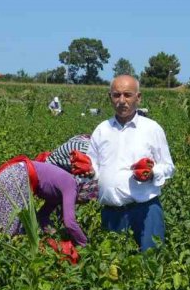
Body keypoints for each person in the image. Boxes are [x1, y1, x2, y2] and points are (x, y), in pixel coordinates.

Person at [71, 75, 175, 251]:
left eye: (127, 95)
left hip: (145, 210)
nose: (121, 101)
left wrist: (152, 173)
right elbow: (94, 166)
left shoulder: (152, 129)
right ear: (109, 97)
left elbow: (168, 167)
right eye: (116, 95)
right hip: (112, 212)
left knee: (150, 263)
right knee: (114, 268)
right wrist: (90, 171)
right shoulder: (102, 130)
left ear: (138, 97)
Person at [0, 158, 87, 246]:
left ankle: (1, 251)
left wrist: (53, 234)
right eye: (83, 201)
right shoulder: (71, 185)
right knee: (13, 229)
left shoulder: (58, 194)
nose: (77, 203)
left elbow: (43, 215)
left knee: (3, 226)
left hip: (9, 173)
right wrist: (84, 243)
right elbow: (70, 222)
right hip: (17, 177)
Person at [45, 134, 99, 203]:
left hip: (54, 166)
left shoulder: (88, 139)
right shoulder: (87, 151)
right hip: (52, 171)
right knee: (96, 187)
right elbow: (85, 174)